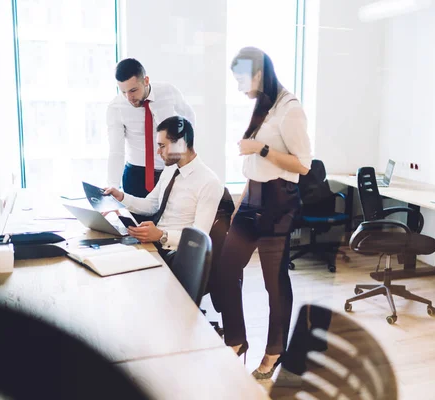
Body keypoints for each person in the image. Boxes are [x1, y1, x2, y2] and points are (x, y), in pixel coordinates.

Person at [214, 47, 312, 379]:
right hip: (253, 198)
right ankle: (237, 340)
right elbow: (254, 168)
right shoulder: (263, 107)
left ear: (258, 74)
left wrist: (262, 148)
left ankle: (274, 350)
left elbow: (302, 165)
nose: (239, 86)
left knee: (274, 282)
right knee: (225, 269)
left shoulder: (290, 108)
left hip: (277, 202)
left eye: (241, 78)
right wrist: (240, 205)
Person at [104, 116, 222, 264]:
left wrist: (161, 235)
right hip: (154, 245)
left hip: (177, 254)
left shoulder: (208, 182)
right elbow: (151, 205)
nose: (158, 152)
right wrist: (121, 197)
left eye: (162, 146)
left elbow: (199, 237)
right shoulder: (170, 170)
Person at [107, 58, 195, 201]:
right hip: (135, 176)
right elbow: (116, 151)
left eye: (133, 90)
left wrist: (183, 153)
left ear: (146, 80)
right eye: (123, 92)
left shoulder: (168, 92)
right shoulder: (116, 107)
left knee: (168, 221)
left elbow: (189, 117)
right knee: (137, 223)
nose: (129, 97)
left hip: (168, 172)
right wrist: (113, 186)